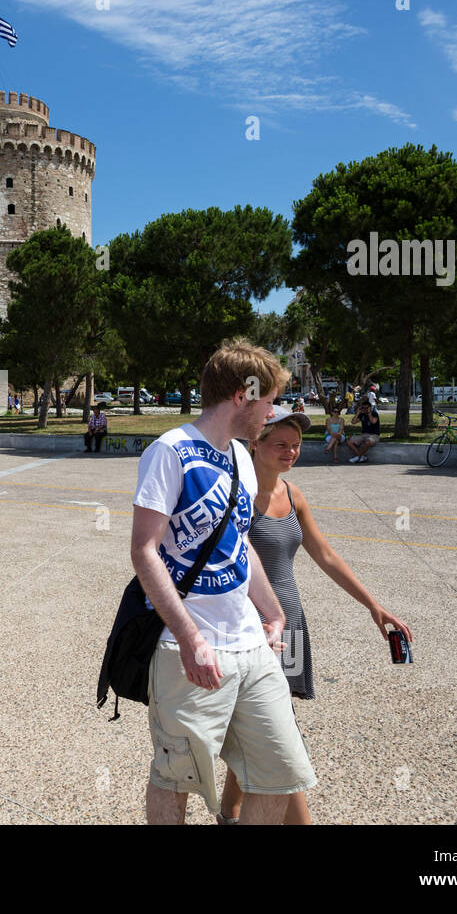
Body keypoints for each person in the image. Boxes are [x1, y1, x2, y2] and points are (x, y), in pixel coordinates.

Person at [131, 338, 315, 825]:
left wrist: (272, 611)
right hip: (188, 648)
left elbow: (239, 543)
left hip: (252, 646)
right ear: (242, 395)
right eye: (269, 400)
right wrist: (191, 641)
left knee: (281, 772)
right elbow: (143, 549)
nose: (272, 411)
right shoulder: (169, 451)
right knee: (177, 778)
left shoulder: (241, 457)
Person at [215, 407, 413, 824]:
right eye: (281, 444)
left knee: (266, 725)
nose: (291, 452)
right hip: (253, 628)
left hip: (293, 625)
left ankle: (229, 811)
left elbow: (325, 555)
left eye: (296, 445)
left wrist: (373, 605)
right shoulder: (233, 496)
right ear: (255, 445)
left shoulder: (293, 494)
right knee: (277, 734)